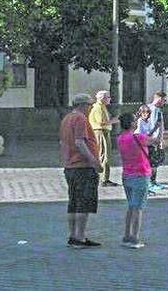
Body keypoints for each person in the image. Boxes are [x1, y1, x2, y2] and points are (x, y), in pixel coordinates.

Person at [61, 93, 102, 248]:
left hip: (70, 166)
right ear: (84, 105)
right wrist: (94, 161)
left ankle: (73, 235)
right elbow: (80, 142)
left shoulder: (66, 119)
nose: (91, 108)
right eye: (90, 105)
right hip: (82, 166)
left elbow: (63, 143)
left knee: (73, 202)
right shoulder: (80, 119)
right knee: (83, 202)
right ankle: (80, 237)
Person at [116, 112, 153, 248]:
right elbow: (156, 140)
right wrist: (158, 128)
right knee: (138, 208)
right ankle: (135, 237)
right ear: (132, 123)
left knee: (131, 206)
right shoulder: (139, 138)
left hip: (127, 174)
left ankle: (126, 235)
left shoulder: (120, 138)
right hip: (141, 174)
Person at [88, 90, 118, 187]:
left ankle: (105, 178)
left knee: (105, 155)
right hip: (101, 132)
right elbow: (102, 122)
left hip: (103, 132)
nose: (110, 99)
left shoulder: (101, 107)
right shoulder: (98, 108)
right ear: (102, 98)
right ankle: (104, 179)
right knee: (104, 155)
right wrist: (114, 120)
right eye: (108, 97)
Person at [144, 92, 166, 192]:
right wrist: (158, 139)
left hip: (150, 138)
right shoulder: (155, 110)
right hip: (153, 139)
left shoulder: (147, 108)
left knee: (153, 161)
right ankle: (150, 182)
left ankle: (152, 181)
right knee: (153, 161)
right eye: (164, 100)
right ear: (158, 99)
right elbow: (157, 125)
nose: (164, 102)